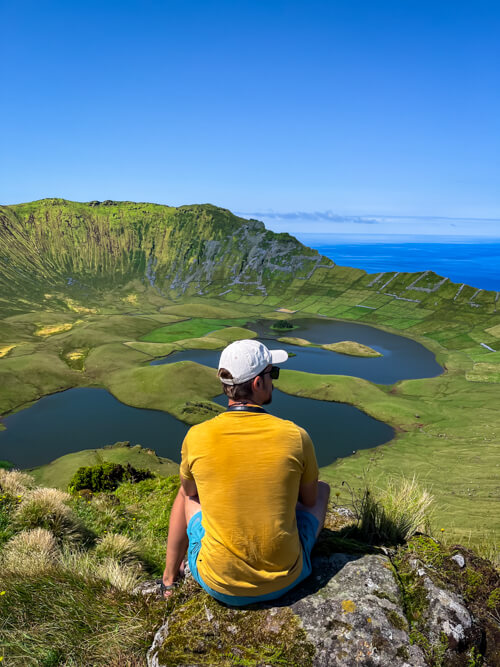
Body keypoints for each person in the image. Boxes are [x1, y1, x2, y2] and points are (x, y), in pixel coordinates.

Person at [161, 339, 330, 605]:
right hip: (287, 577)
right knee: (321, 488)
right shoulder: (295, 436)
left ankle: (169, 580)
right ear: (257, 383)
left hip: (218, 582)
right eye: (272, 373)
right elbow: (308, 502)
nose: (273, 380)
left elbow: (191, 492)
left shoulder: (197, 436)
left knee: (185, 495)